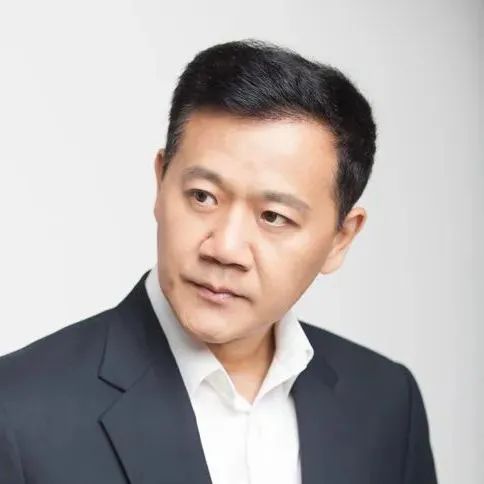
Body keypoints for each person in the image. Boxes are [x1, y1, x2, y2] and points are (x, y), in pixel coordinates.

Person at [0, 39, 437, 484]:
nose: (224, 248)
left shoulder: (386, 402)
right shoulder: (16, 410)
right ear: (161, 183)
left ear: (340, 240)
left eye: (273, 216)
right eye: (202, 196)